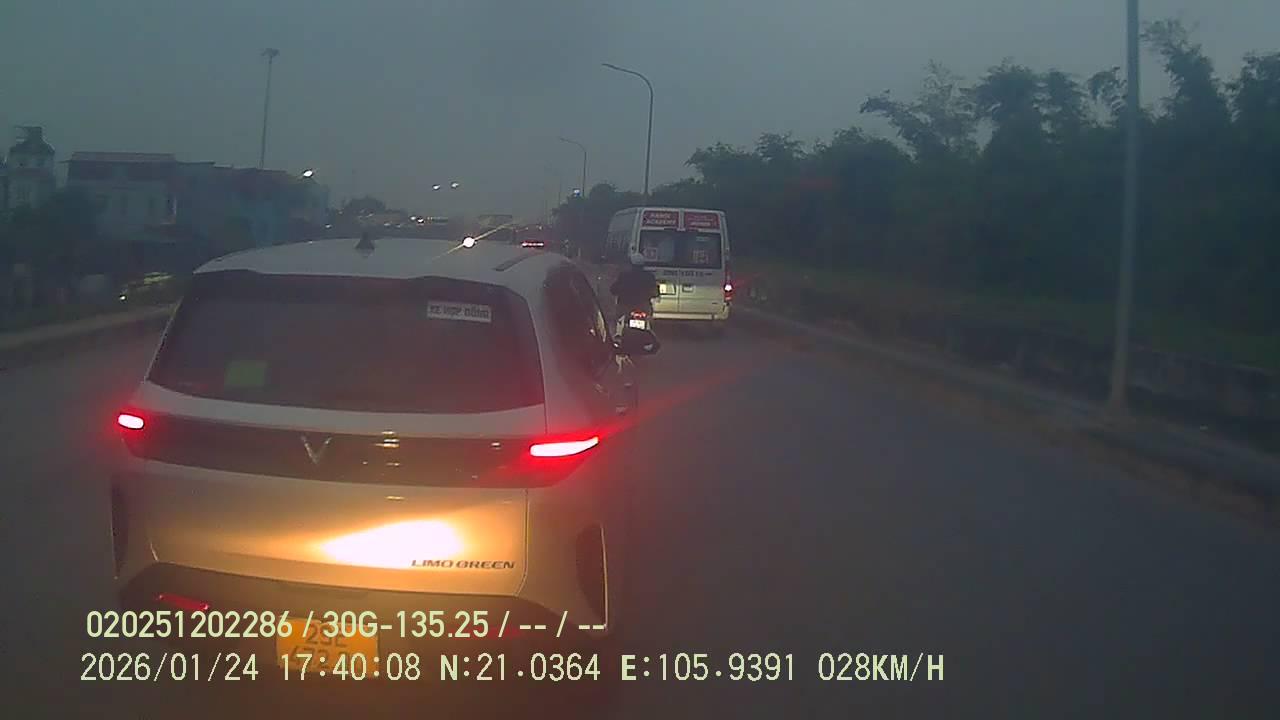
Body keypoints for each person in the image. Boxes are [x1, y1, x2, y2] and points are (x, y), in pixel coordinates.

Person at [610, 252, 659, 320]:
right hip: (644, 307)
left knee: (618, 319)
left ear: (631, 264)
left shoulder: (624, 276)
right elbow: (655, 292)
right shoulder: (649, 277)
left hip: (626, 307)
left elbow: (613, 290)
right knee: (649, 320)